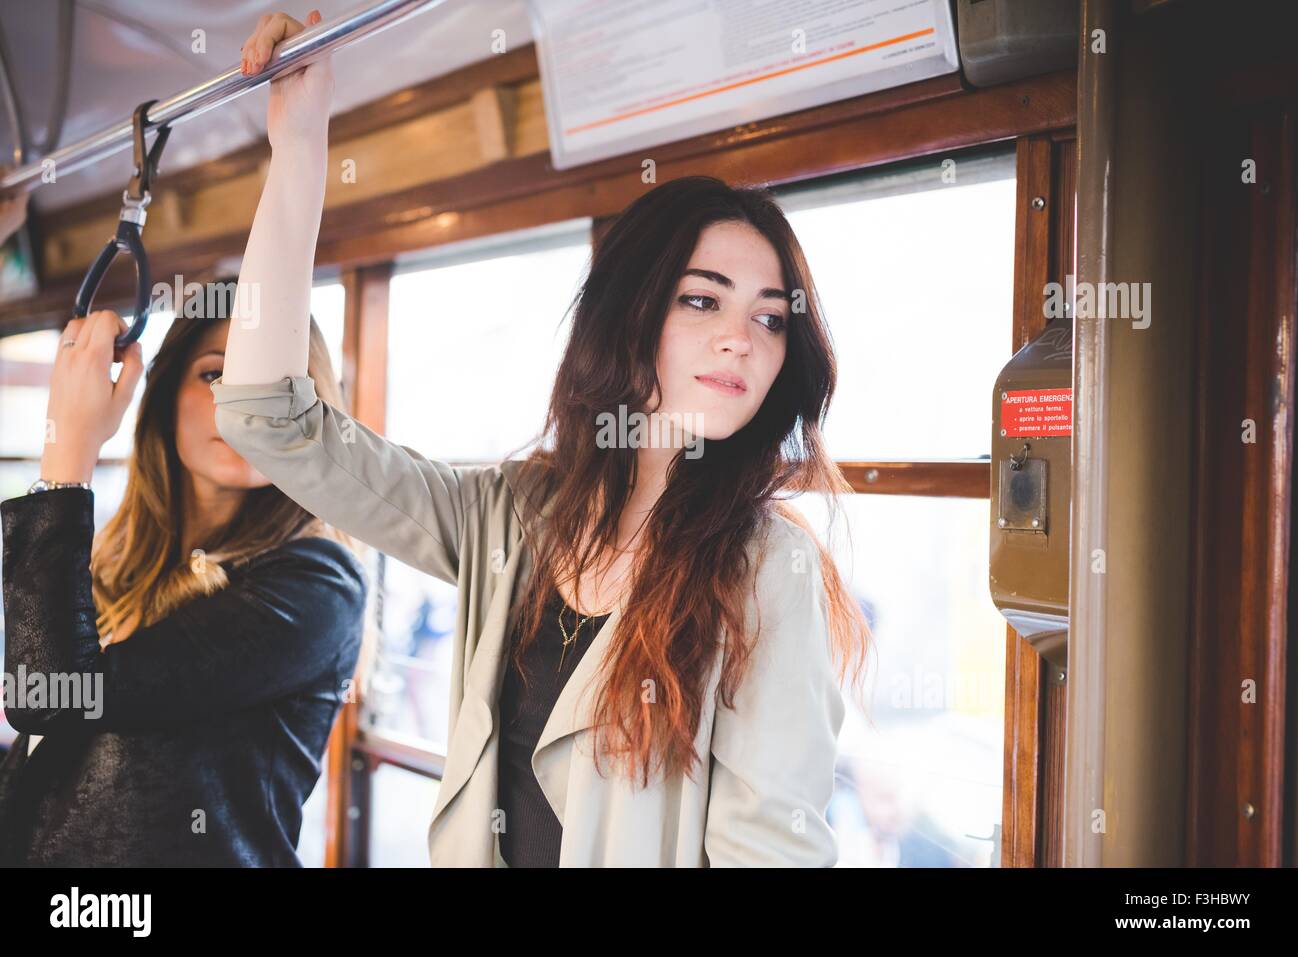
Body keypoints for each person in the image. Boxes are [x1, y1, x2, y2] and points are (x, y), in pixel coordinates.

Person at [213, 10, 872, 867]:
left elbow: (771, 853)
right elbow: (274, 421)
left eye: (770, 318)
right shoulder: (517, 513)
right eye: (702, 300)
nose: (740, 340)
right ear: (629, 314)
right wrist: (300, 144)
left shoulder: (765, 566)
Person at [0, 279, 368, 866]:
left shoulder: (319, 583)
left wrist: (68, 449)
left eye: (280, 387)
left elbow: (49, 695)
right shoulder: (113, 561)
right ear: (168, 391)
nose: (248, 408)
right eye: (216, 375)